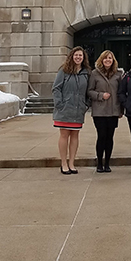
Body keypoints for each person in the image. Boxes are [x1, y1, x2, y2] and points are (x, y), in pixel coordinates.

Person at [52, 46, 91, 174]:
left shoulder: (86, 73)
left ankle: (72, 163)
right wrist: (60, 104)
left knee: (75, 135)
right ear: (72, 57)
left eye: (80, 55)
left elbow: (88, 91)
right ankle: (63, 163)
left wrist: (86, 105)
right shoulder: (64, 71)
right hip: (65, 109)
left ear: (83, 57)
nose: (78, 57)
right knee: (64, 135)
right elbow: (56, 88)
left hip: (78, 110)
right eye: (76, 55)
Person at [87, 49, 124, 173]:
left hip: (113, 110)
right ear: (101, 60)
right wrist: (100, 95)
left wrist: (121, 109)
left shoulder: (118, 74)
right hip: (100, 111)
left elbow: (121, 93)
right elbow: (90, 91)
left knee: (110, 137)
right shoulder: (94, 74)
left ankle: (107, 163)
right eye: (105, 58)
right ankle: (99, 163)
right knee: (101, 136)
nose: (108, 60)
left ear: (113, 60)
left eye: (110, 58)